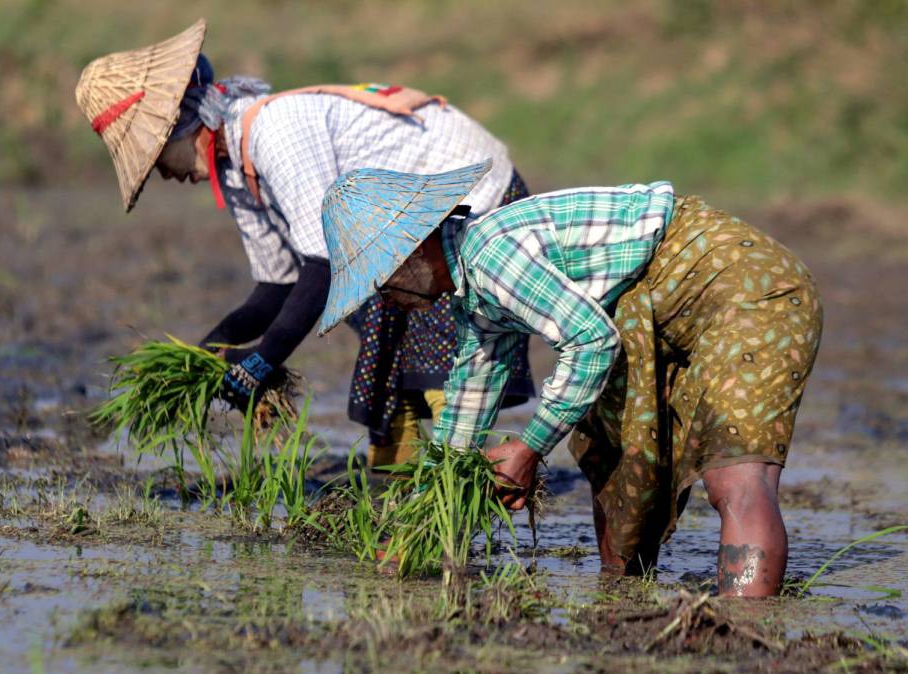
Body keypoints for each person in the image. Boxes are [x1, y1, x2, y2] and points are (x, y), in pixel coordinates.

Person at [317, 161, 822, 597]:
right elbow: (466, 411)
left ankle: (747, 633)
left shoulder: (492, 254)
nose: (383, 297)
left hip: (740, 287)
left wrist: (530, 447)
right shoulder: (475, 299)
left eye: (381, 278)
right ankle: (620, 602)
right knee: (611, 461)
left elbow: (590, 341)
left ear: (416, 248)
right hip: (649, 312)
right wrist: (420, 522)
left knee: (734, 475)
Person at [74, 20, 533, 467]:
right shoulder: (235, 166)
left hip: (471, 196)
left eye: (158, 161)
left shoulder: (276, 130)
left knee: (442, 356)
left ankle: (460, 474)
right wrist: (206, 353)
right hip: (406, 233)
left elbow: (324, 263)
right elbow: (278, 284)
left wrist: (263, 360)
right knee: (380, 326)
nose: (167, 175)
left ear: (184, 127)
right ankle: (399, 472)